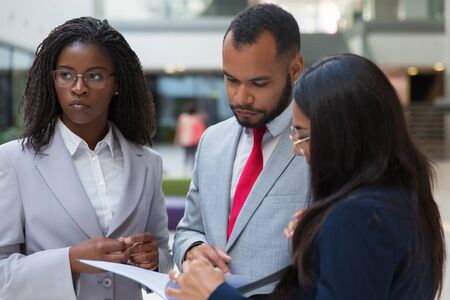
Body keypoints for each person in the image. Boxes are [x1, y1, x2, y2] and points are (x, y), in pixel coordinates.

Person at [166, 53, 446, 300]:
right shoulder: (401, 197)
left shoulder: (358, 217)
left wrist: (215, 294)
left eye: (302, 135)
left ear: (342, 135)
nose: (298, 150)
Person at [0, 17, 172, 300]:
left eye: (94, 76)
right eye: (66, 75)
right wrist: (69, 260)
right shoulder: (14, 161)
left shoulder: (148, 163)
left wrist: (154, 259)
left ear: (116, 84)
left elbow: (164, 255)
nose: (79, 87)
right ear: (53, 80)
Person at [173, 3, 309, 297]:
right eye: (231, 79)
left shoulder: (319, 146)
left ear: (295, 69)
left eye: (258, 83)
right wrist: (193, 250)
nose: (240, 97)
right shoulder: (211, 141)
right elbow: (187, 230)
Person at [174, 102, 206, 172]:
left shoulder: (183, 117)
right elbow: (202, 129)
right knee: (194, 155)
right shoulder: (197, 118)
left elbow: (179, 129)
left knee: (186, 154)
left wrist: (176, 139)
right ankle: (192, 169)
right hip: (195, 140)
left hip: (185, 140)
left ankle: (185, 169)